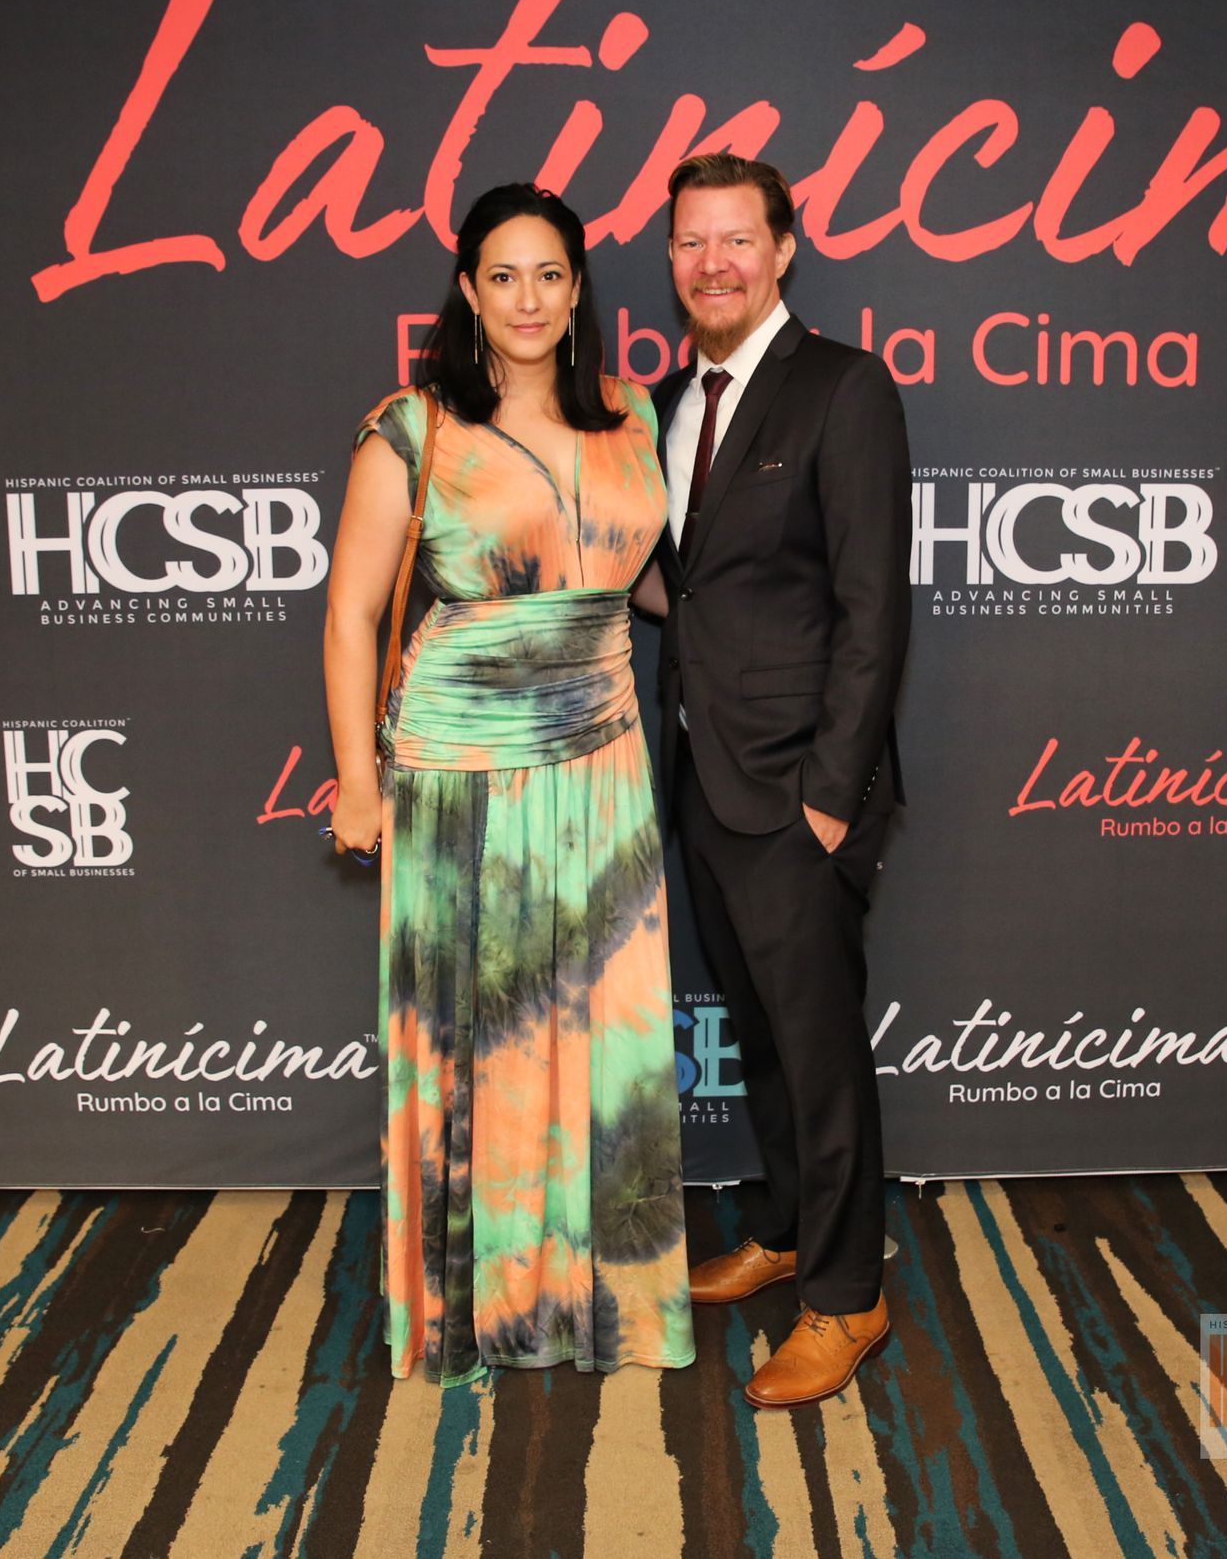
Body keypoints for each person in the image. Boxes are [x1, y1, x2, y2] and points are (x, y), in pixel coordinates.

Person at [324, 183, 691, 1387]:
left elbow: (632, 578)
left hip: (603, 750)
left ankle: (600, 1300)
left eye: (550, 274)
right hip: (463, 760)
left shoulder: (633, 412)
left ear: (578, 288)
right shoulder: (414, 427)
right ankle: (479, 1307)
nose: (528, 298)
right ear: (468, 291)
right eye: (502, 275)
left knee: (601, 1027)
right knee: (483, 1031)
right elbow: (353, 612)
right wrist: (355, 782)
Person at [652, 154, 911, 1409]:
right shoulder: (669, 398)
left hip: (799, 787)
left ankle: (849, 1295)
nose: (714, 263)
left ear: (784, 248)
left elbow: (874, 608)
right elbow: (684, 583)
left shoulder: (843, 388)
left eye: (736, 240)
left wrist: (830, 790)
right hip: (702, 773)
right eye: (692, 243)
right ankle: (785, 1226)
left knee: (818, 1049)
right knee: (757, 1032)